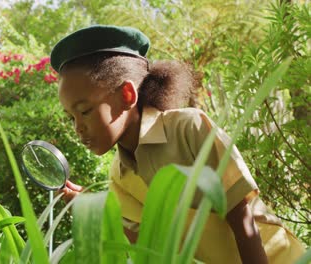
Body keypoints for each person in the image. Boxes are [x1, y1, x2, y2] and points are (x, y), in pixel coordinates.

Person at [50, 25, 305, 263]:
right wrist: (94, 210)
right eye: (70, 117)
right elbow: (153, 248)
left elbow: (241, 218)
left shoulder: (189, 128)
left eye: (84, 111)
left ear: (127, 95)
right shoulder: (119, 175)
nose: (77, 127)